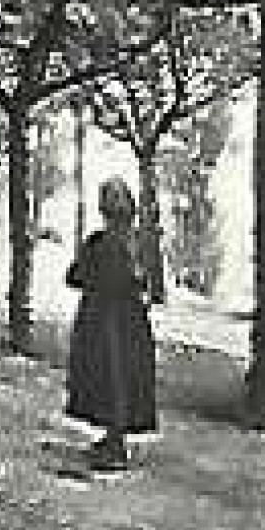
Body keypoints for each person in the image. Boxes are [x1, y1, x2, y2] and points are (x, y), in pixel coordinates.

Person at [64, 177, 158, 472]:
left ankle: (115, 445)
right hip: (130, 320)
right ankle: (114, 438)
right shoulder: (138, 242)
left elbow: (75, 276)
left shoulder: (101, 242)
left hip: (104, 320)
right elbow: (144, 281)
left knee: (109, 375)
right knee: (121, 376)